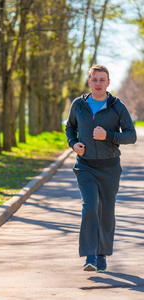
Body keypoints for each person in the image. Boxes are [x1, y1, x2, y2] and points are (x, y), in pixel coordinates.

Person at [65, 65, 137, 272]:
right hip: (85, 166)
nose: (98, 83)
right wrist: (73, 143)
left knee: (106, 211)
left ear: (108, 83)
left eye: (102, 80)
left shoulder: (117, 107)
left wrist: (109, 136)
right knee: (89, 207)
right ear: (89, 82)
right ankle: (90, 256)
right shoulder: (78, 105)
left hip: (110, 168)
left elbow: (131, 135)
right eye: (94, 79)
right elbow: (70, 127)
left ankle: (102, 254)